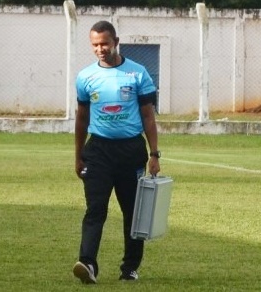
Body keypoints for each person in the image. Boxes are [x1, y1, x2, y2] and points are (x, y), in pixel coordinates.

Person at [72, 20, 161, 284]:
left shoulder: (137, 74)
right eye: (95, 45)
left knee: (132, 212)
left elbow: (148, 116)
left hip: (131, 150)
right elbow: (81, 119)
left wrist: (154, 154)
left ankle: (130, 268)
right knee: (95, 209)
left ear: (116, 42)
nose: (100, 49)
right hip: (98, 151)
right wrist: (78, 155)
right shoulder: (85, 77)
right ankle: (88, 264)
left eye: (105, 44)